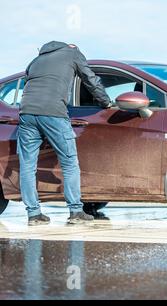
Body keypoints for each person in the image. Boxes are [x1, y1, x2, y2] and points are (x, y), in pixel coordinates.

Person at [18, 41, 112, 226]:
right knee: (69, 162)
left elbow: (28, 84)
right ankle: (76, 211)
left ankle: (34, 215)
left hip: (26, 112)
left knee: (27, 166)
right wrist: (106, 102)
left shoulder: (35, 60)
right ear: (70, 46)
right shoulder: (73, 53)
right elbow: (90, 79)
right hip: (53, 113)